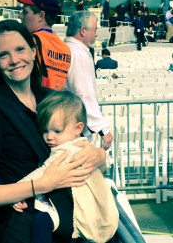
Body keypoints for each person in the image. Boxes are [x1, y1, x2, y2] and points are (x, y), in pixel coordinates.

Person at [0, 20, 108, 242]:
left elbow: (80, 153)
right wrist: (41, 184)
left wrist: (99, 155)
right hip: (24, 229)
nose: (14, 60)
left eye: (20, 49)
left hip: (70, 222)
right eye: (3, 54)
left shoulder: (50, 100)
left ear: (33, 50)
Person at [13, 91, 118, 243]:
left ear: (78, 128)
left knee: (41, 220)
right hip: (94, 207)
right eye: (45, 131)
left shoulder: (65, 150)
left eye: (57, 131)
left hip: (77, 207)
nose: (49, 136)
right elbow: (103, 166)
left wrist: (17, 190)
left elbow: (43, 172)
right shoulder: (84, 146)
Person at [64, 11, 113, 149]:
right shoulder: (78, 54)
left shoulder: (68, 48)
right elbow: (83, 92)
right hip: (76, 124)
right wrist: (103, 129)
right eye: (95, 29)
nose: (96, 34)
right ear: (83, 30)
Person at [16, 0, 71, 90]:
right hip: (53, 101)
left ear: (41, 16)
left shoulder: (30, 42)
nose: (20, 16)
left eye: (25, 12)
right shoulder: (65, 47)